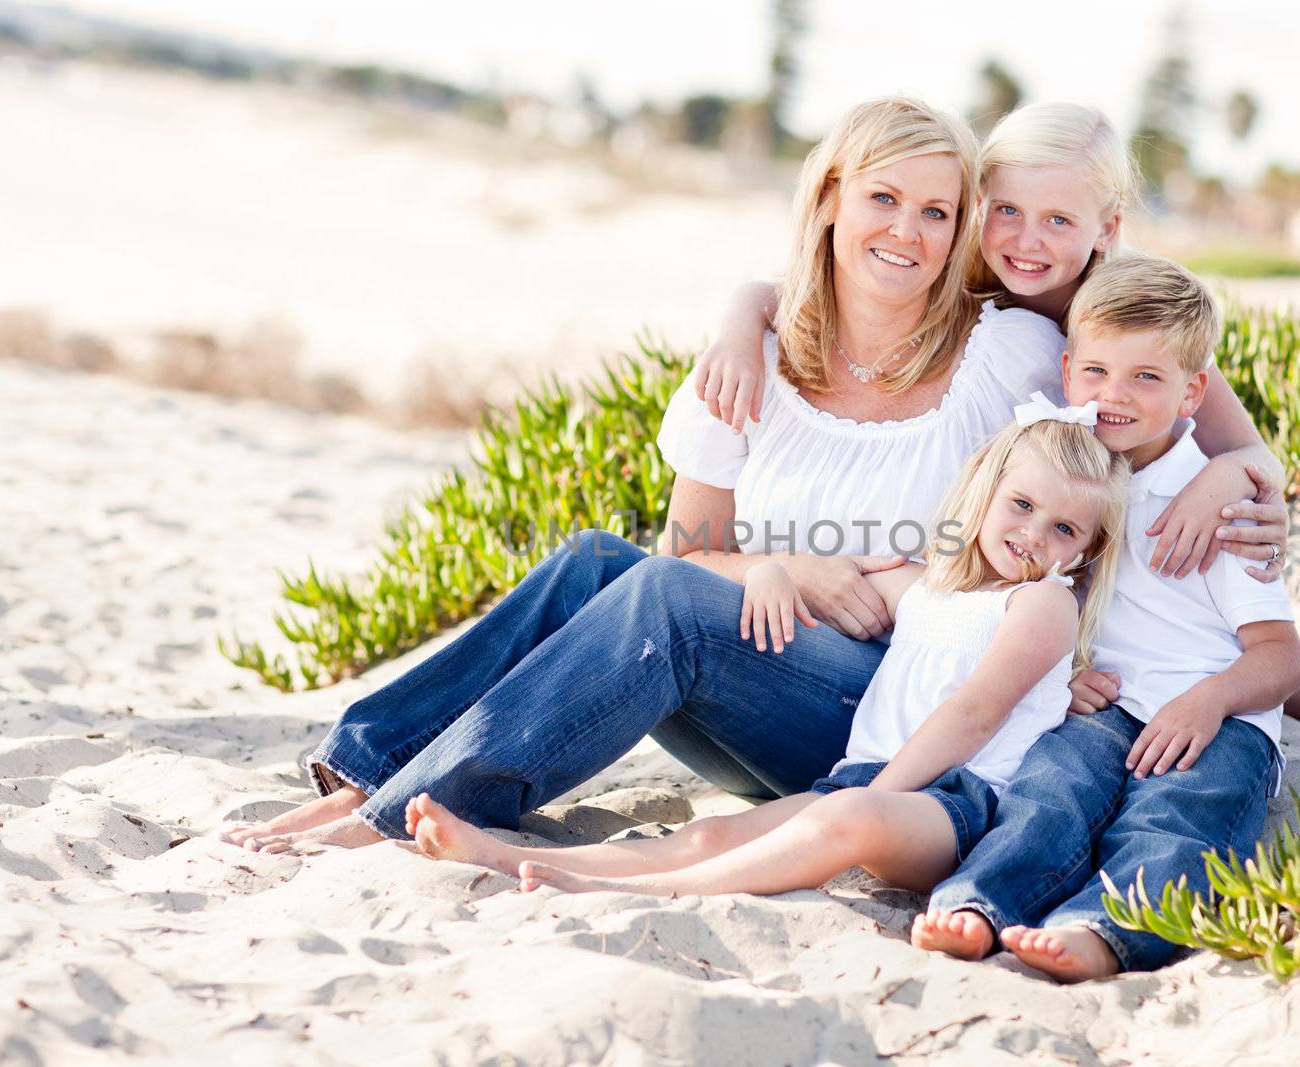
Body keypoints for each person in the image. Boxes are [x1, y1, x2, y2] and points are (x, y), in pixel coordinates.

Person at [219, 95, 1070, 853]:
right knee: (596, 562)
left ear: (961, 231)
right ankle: (369, 771)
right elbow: (692, 552)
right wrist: (792, 574)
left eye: (936, 211)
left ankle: (408, 812)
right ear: (828, 201)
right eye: (882, 198)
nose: (907, 231)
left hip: (898, 713)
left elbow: (1127, 373)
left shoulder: (1006, 357)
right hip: (756, 696)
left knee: (668, 600)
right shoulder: (754, 364)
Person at [692, 101, 1300, 723]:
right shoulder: (963, 281)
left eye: (1059, 220)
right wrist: (740, 315)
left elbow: (1246, 447)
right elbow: (813, 290)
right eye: (1006, 210)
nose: (1027, 241)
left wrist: (1230, 477)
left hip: (1119, 512)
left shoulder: (1122, 315)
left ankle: (1296, 676)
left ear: (1106, 228)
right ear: (979, 205)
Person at [400, 412, 1132, 899]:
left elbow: (976, 712)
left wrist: (874, 789)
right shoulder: (933, 585)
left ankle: (620, 889)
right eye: (1023, 506)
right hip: (862, 779)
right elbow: (848, 571)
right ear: (987, 490)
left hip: (951, 799)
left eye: (1065, 528)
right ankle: (522, 862)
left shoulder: (1042, 603)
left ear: (1086, 550)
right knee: (711, 832)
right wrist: (772, 569)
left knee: (843, 825)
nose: (1036, 535)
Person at [911, 254, 1300, 980]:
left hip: (1217, 720)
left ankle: (1102, 929)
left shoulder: (1222, 503)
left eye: (1145, 378)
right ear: (1067, 372)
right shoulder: (1072, 479)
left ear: (1194, 392)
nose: (1113, 396)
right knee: (1048, 790)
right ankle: (979, 903)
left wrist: (1209, 700)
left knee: (1176, 818)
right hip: (1106, 704)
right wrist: (1074, 672)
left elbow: (1283, 658)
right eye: (1095, 372)